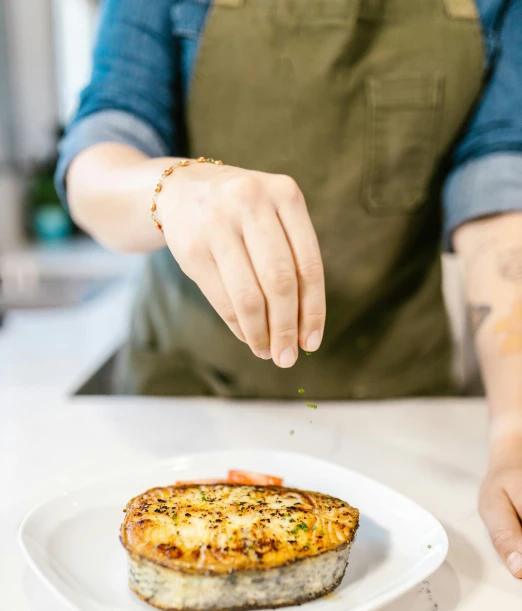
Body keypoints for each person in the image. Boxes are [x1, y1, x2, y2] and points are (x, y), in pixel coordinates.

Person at [56, 0, 522, 578]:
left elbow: (502, 198)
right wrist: (171, 187)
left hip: (395, 406)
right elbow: (96, 161)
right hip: (186, 397)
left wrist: (514, 433)